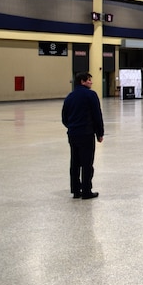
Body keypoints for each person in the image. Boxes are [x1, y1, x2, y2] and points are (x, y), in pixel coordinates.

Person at [61, 72, 104, 200]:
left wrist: (72, 127)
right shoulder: (91, 95)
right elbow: (97, 115)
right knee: (87, 163)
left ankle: (75, 190)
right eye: (89, 80)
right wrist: (100, 133)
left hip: (73, 134)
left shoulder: (70, 96)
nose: (91, 82)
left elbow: (64, 117)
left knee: (75, 162)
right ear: (82, 82)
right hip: (86, 134)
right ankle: (86, 191)